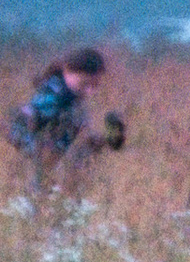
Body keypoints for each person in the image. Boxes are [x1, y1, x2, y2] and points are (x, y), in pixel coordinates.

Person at [10, 46, 122, 195]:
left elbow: (80, 135)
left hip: (53, 164)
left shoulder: (71, 95)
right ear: (67, 70)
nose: (90, 92)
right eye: (84, 84)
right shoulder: (53, 97)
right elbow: (27, 131)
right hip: (41, 164)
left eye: (94, 86)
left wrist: (106, 140)